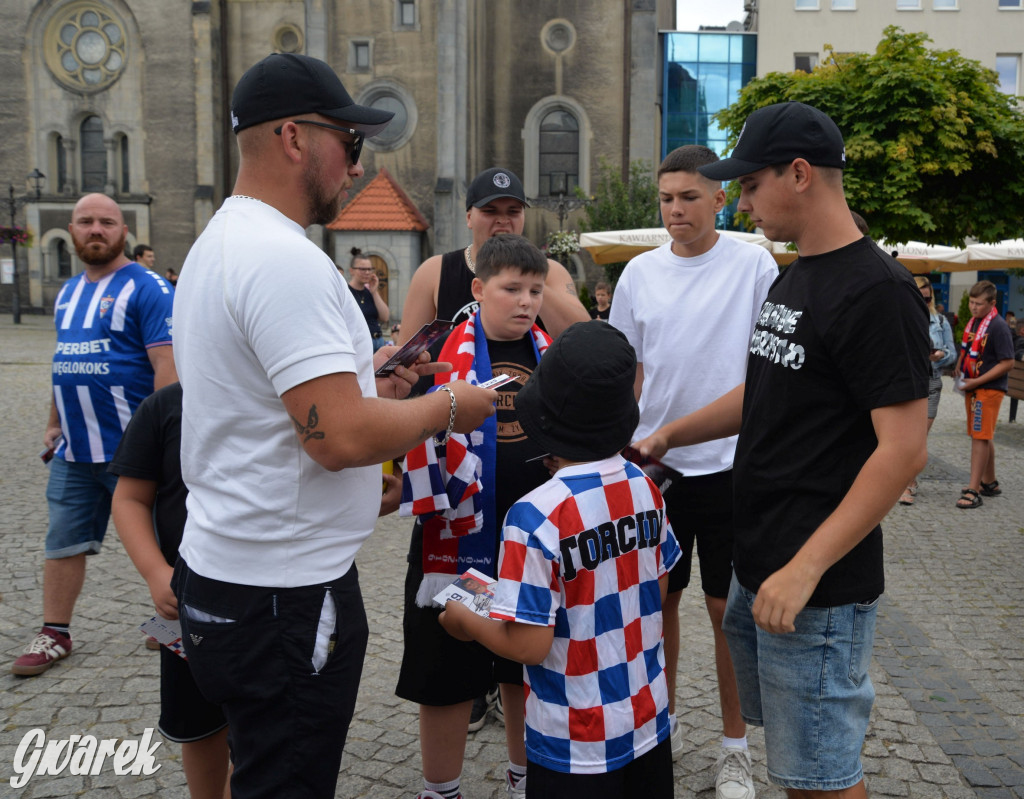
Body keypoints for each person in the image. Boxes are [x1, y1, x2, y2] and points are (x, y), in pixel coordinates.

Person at [170, 52, 498, 799]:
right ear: (293, 137)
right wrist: (451, 405)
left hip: (230, 572)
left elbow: (272, 407)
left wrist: (371, 384)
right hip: (284, 596)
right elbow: (338, 438)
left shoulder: (220, 242)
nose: (357, 164)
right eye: (349, 143)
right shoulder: (283, 259)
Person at [635, 101, 929, 799]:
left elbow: (904, 450)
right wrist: (670, 434)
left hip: (815, 587)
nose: (741, 202)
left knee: (821, 777)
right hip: (761, 564)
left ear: (799, 174)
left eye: (750, 184)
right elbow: (765, 388)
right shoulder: (796, 274)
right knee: (799, 766)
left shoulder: (876, 290)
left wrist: (805, 568)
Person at [439, 320, 682, 799]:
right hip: (647, 718)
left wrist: (465, 619)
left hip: (573, 740)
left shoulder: (533, 516)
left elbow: (529, 645)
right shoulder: (644, 485)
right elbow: (656, 589)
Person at [609, 144, 777, 798]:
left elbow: (768, 370)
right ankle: (662, 724)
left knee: (727, 610)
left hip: (734, 464)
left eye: (687, 197)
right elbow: (628, 373)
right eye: (665, 198)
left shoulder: (754, 264)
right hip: (656, 468)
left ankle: (735, 747)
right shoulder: (638, 274)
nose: (674, 210)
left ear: (719, 198)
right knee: (657, 601)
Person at [398, 234, 553, 799]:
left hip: (532, 543)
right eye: (512, 289)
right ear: (479, 289)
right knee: (444, 674)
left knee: (523, 668)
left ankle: (524, 777)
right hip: (455, 537)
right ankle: (441, 789)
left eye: (535, 290)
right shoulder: (441, 357)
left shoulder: (551, 355)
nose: (526, 302)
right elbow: (405, 426)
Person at [11, 193, 177, 677]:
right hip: (75, 448)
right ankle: (55, 632)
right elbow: (65, 361)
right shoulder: (67, 292)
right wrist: (54, 421)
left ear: (123, 230)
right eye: (85, 221)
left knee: (165, 538)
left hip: (134, 449)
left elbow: (168, 369)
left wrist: (163, 443)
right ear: (72, 230)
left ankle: (173, 619)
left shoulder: (148, 287)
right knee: (62, 540)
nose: (96, 229)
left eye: (106, 221)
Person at [109, 382, 231, 799]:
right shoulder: (165, 405)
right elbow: (130, 498)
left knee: (266, 726)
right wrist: (154, 571)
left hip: (277, 598)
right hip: (186, 604)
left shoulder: (295, 396)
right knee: (199, 724)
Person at [396, 166, 588, 345]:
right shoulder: (435, 272)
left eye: (513, 212)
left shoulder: (550, 271)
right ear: (469, 218)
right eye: (490, 211)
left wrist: (533, 282)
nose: (503, 220)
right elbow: (405, 354)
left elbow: (584, 337)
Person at [953, 280, 1015, 509]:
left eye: (978, 304)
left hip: (988, 388)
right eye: (971, 302)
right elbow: (968, 348)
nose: (973, 307)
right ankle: (989, 482)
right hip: (972, 386)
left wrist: (978, 381)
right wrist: (959, 365)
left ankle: (973, 489)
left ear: (992, 303)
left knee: (979, 436)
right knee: (981, 433)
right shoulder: (974, 322)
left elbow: (1008, 362)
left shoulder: (998, 326)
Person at [899, 277, 957, 505]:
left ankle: (908, 483)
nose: (925, 302)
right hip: (908, 382)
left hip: (931, 381)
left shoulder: (940, 321)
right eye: (920, 297)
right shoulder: (902, 318)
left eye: (928, 297)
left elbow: (952, 353)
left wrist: (941, 356)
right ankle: (906, 482)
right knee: (906, 436)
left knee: (918, 436)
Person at [348, 247, 390, 351]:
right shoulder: (346, 292)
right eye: (362, 269)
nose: (367, 272)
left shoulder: (370, 292)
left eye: (370, 269)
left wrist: (374, 292)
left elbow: (385, 317)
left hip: (378, 340)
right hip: (360, 344)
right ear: (352, 271)